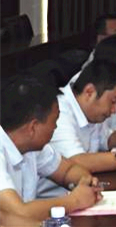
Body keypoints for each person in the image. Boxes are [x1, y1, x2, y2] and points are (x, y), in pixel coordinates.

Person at [0, 76, 101, 221]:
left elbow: (67, 170)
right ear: (33, 127)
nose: (55, 127)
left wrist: (85, 182)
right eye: (55, 121)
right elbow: (17, 214)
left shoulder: (31, 146)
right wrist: (75, 201)